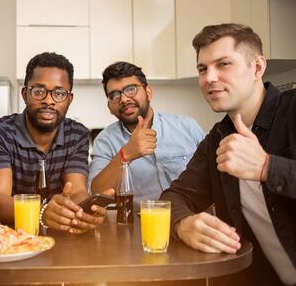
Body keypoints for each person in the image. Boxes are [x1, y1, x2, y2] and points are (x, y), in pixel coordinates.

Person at [160, 23, 296, 286]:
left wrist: (267, 167)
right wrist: (181, 224)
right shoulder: (216, 139)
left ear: (257, 67)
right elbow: (176, 196)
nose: (209, 77)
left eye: (223, 64)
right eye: (202, 69)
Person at [0, 52, 112, 234]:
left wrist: (85, 210)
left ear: (69, 99)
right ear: (25, 94)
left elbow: (77, 192)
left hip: (59, 237)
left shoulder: (77, 134)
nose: (49, 100)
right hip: (8, 235)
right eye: (39, 91)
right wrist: (41, 213)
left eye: (59, 93)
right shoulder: (1, 132)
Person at [89, 61, 205, 209]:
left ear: (148, 93)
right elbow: (96, 193)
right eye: (114, 95)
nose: (124, 99)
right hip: (140, 225)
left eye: (130, 89)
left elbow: (215, 179)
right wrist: (126, 154)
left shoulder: (188, 127)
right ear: (109, 107)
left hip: (191, 220)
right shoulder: (105, 141)